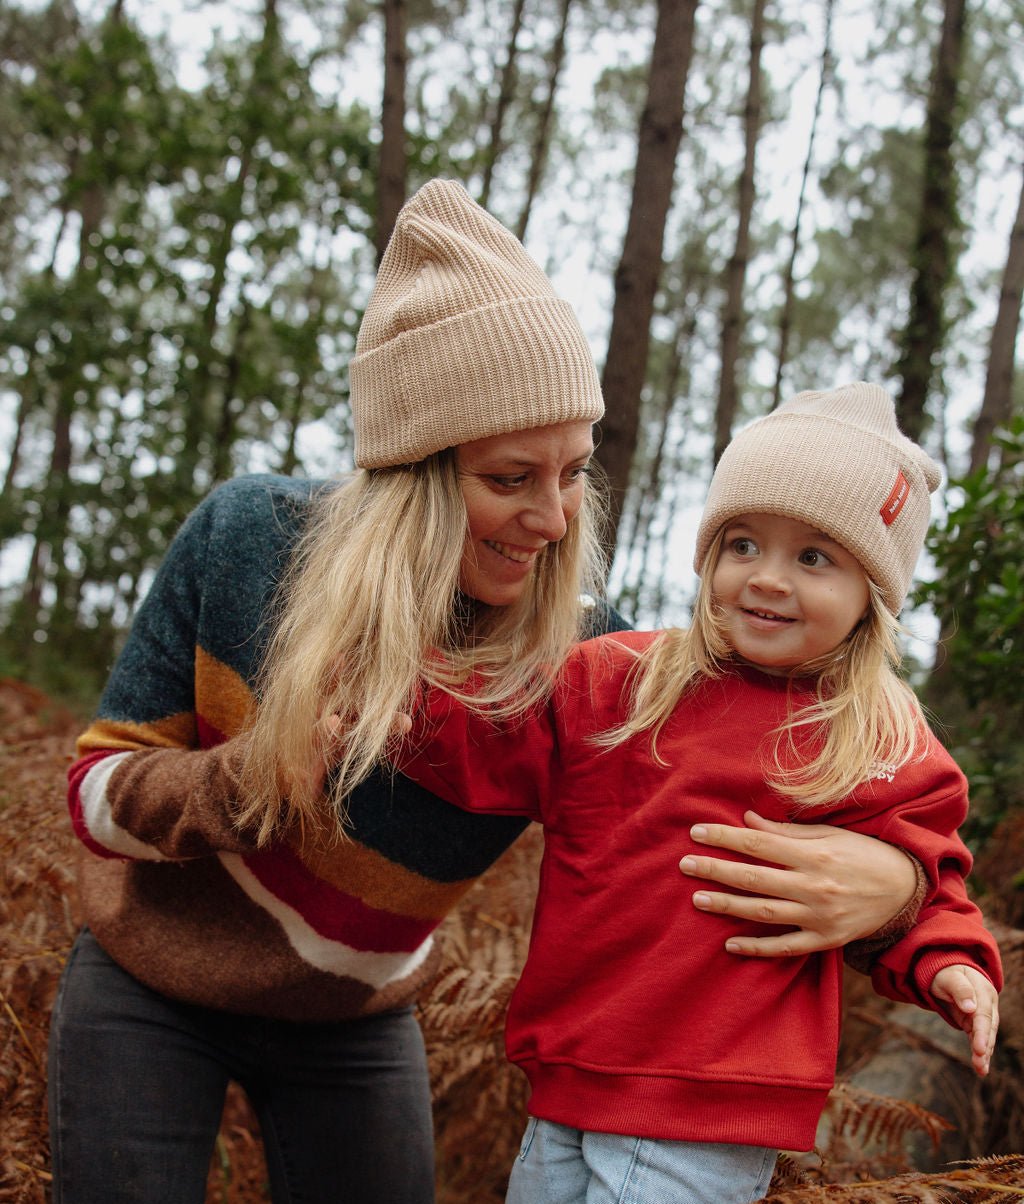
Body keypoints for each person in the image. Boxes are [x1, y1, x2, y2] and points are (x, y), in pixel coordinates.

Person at [54, 181, 923, 1204]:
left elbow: (754, 780)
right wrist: (250, 780)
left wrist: (895, 890)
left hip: (355, 1018)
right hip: (151, 988)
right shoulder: (248, 540)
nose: (553, 518)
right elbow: (93, 792)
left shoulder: (586, 664)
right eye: (511, 479)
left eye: (571, 473)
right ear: (412, 475)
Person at [390, 383, 1004, 1204]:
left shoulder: (875, 736)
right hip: (570, 1074)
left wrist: (953, 961)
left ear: (874, 594)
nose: (769, 579)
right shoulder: (620, 683)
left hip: (710, 1103)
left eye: (814, 558)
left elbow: (925, 874)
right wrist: (381, 696)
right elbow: (482, 739)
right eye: (743, 544)